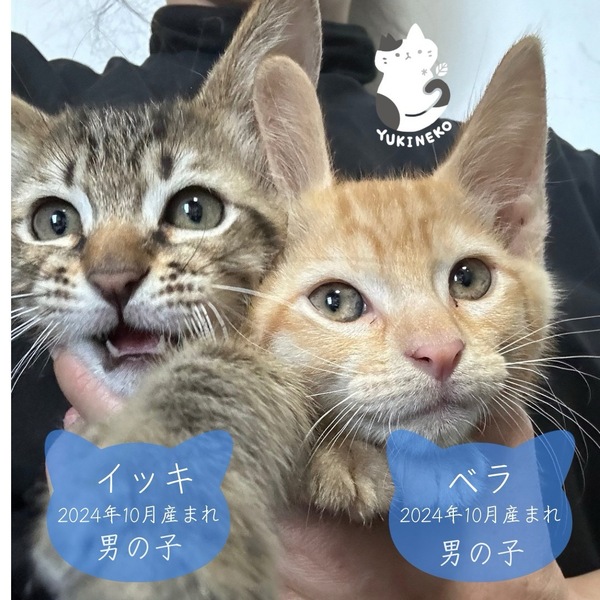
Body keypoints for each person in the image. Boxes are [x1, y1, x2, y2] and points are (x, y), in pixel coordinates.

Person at [11, 1, 600, 598]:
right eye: (52, 219)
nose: (437, 347)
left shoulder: (580, 183)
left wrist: (532, 593)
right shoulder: (29, 85)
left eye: (468, 279)